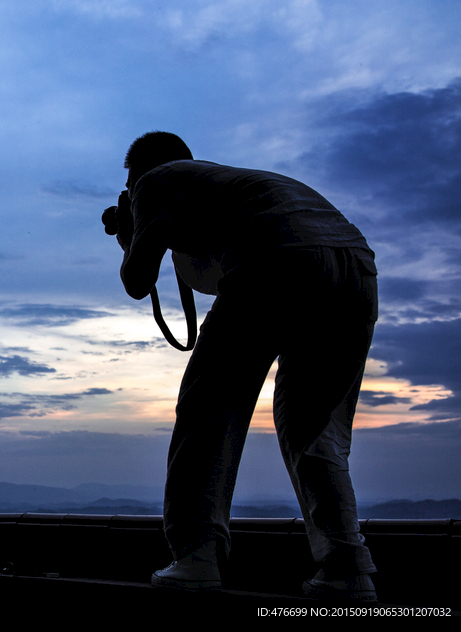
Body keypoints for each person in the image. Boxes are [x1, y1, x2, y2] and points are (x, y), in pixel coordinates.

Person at [106, 131, 378, 601]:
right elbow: (213, 272)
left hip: (273, 257)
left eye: (131, 187)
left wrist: (132, 232)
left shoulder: (155, 180)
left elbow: (136, 280)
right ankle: (346, 568)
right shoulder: (223, 184)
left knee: (208, 412)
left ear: (138, 174)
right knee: (311, 428)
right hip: (355, 267)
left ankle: (196, 556)